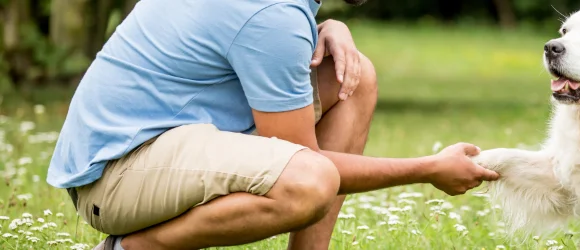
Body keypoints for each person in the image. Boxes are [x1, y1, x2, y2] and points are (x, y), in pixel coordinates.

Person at [45, 0, 500, 249]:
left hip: (160, 142)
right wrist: (427, 168)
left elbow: (245, 33)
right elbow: (304, 162)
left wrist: (327, 23)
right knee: (309, 180)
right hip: (113, 178)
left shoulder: (282, 12)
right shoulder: (272, 17)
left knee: (352, 76)